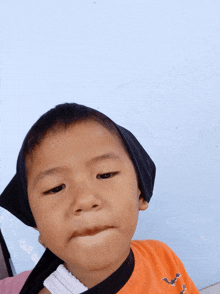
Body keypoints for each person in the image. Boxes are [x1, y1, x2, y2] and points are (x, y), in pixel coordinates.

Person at [0, 102, 200, 293]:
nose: (85, 200)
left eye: (105, 174)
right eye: (55, 188)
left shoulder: (161, 256)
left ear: (141, 192)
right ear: (37, 223)